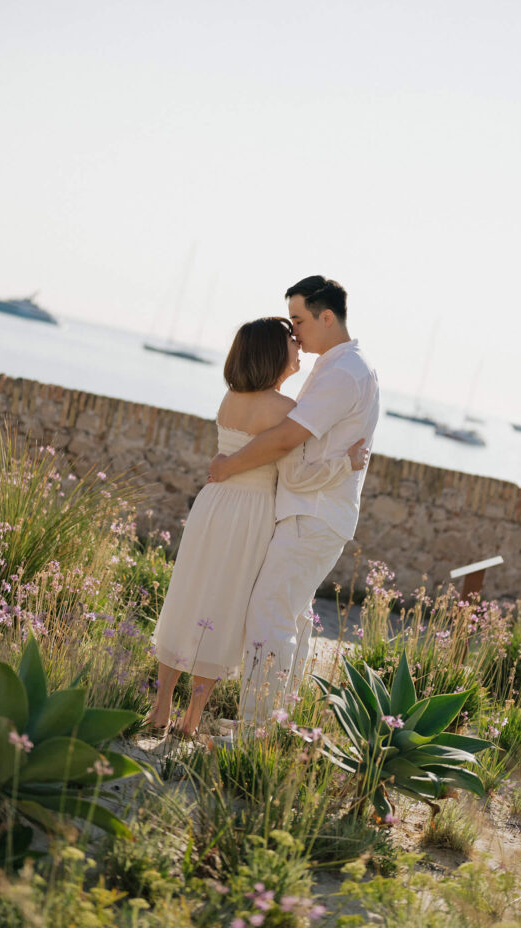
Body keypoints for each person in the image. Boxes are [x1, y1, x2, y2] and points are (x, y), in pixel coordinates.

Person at [147, 315, 367, 739]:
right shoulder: (284, 410)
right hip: (250, 512)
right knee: (223, 607)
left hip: (213, 504)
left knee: (189, 594)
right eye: (290, 340)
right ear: (272, 351)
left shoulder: (230, 398)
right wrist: (346, 463)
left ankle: (160, 707)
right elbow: (298, 474)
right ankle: (191, 719)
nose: (298, 345)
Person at [209, 276, 380, 724]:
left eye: (299, 320)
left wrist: (230, 464)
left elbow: (287, 436)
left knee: (270, 614)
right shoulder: (341, 365)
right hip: (312, 510)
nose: (295, 332)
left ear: (328, 317)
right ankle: (272, 722)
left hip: (314, 511)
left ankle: (255, 728)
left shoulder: (344, 372)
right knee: (292, 619)